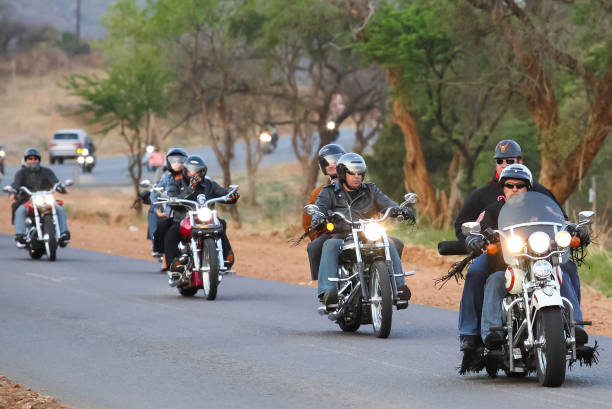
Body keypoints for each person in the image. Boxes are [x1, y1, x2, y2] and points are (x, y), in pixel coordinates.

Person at [454, 140, 585, 352]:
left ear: (528, 186)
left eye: (520, 185)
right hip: (504, 261)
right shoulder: (490, 206)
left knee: (566, 269)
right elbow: (474, 225)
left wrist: (576, 229)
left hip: (541, 257)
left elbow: (561, 220)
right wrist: (473, 238)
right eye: (510, 185)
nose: (515, 189)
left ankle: (575, 325)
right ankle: (484, 333)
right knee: (487, 276)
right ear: (503, 186)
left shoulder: (541, 199)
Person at [313, 153, 413, 306]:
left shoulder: (371, 190)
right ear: (342, 173)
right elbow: (319, 208)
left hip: (368, 234)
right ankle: (327, 291)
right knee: (330, 245)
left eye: (360, 173)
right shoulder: (329, 191)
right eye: (352, 172)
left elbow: (387, 203)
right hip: (343, 235)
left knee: (390, 242)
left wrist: (399, 210)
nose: (357, 176)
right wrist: (318, 217)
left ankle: (399, 287)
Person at [164, 155, 240, 277]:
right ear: (185, 170)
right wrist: (190, 189)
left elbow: (223, 192)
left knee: (221, 223)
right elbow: (173, 201)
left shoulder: (209, 184)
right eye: (190, 171)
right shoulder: (176, 184)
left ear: (203, 172)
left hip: (205, 219)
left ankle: (226, 256)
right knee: (172, 231)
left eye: (197, 171)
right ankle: (174, 263)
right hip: (184, 219)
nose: (193, 174)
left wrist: (232, 195)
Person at [10, 148, 70, 247]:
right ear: (26, 160)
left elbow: (55, 181)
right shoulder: (21, 173)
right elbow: (16, 184)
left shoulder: (47, 171)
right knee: (20, 210)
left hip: (46, 199)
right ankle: (20, 235)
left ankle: (63, 234)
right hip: (28, 200)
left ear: (39, 160)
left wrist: (61, 187)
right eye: (30, 159)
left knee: (59, 209)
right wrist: (13, 191)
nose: (33, 161)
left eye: (35, 159)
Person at [303, 143, 345, 281]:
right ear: (322, 166)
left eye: (335, 160)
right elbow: (308, 224)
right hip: (332, 233)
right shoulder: (318, 192)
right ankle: (322, 286)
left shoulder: (358, 185)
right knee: (314, 247)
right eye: (327, 162)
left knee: (393, 243)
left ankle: (390, 281)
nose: (332, 164)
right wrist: (321, 228)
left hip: (361, 231)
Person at [150, 147, 188, 271]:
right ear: (169, 163)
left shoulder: (192, 177)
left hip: (194, 213)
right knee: (163, 228)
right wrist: (157, 207)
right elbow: (155, 194)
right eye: (174, 161)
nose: (177, 164)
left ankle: (220, 259)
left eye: (180, 161)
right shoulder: (166, 178)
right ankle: (166, 261)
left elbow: (207, 186)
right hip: (173, 213)